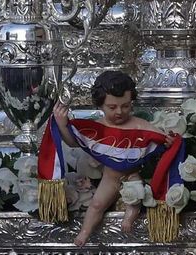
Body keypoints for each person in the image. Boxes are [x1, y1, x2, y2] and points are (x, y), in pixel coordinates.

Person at [47, 70, 174, 246]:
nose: (119, 112)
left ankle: (128, 220)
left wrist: (169, 141)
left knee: (135, 198)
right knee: (97, 205)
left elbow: (159, 137)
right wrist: (62, 124)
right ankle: (84, 232)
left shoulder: (138, 125)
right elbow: (74, 142)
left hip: (132, 174)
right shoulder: (99, 127)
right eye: (112, 107)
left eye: (126, 106)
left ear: (131, 103)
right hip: (110, 177)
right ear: (100, 105)